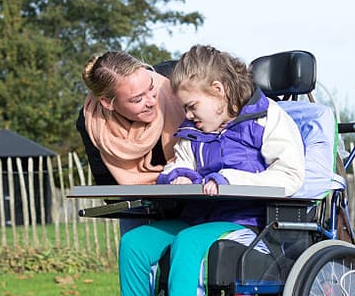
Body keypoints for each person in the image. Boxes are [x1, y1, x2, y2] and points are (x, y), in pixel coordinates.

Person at [118, 45, 306, 296]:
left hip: (249, 226)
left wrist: (228, 179)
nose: (187, 114)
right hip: (196, 219)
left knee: (190, 241)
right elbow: (180, 162)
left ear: (218, 90)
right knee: (135, 244)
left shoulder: (268, 118)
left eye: (192, 105)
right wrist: (180, 175)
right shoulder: (193, 129)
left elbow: (290, 176)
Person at [76, 51, 185, 233]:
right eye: (137, 99)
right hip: (139, 201)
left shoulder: (175, 79)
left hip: (193, 189)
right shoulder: (91, 123)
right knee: (133, 239)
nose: (151, 101)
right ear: (107, 103)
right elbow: (112, 192)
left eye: (151, 88)